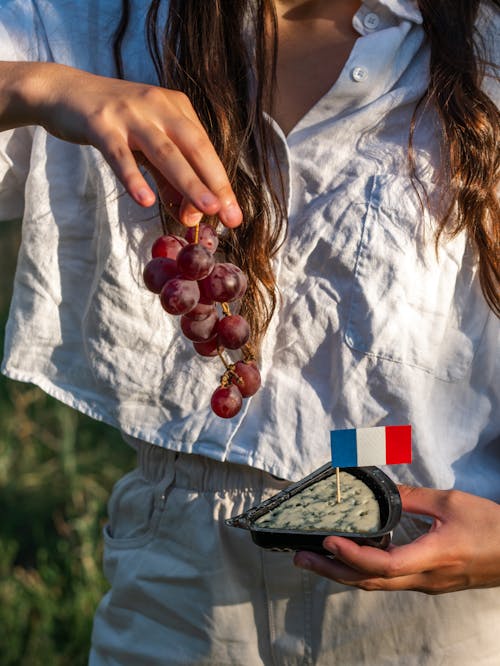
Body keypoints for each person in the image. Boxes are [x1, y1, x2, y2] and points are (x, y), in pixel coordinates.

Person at [0, 0, 499, 664]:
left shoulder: (482, 50)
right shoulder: (96, 23)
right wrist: (41, 87)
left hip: (422, 584)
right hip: (181, 587)